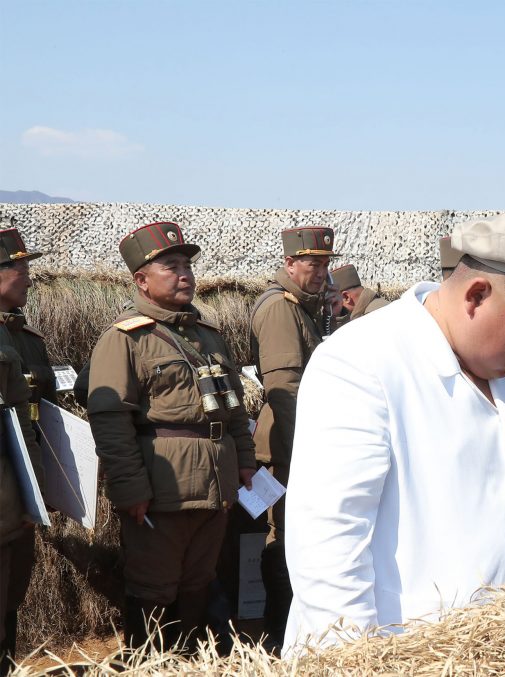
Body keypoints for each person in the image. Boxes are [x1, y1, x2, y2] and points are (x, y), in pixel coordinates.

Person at [284, 212, 505, 651]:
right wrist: (355, 660)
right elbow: (327, 548)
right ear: (476, 295)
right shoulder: (360, 361)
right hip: (414, 648)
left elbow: (485, 463)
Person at [87, 222, 256, 651]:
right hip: (161, 493)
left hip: (215, 487)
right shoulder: (124, 339)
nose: (185, 274)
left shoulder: (209, 337)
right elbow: (110, 421)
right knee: (153, 592)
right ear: (141, 280)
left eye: (187, 265)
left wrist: (245, 460)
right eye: (171, 266)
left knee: (198, 584)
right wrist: (128, 488)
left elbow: (233, 408)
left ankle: (187, 662)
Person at [248, 227, 338, 651]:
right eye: (311, 264)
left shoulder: (303, 306)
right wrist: (310, 452)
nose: (321, 272)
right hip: (288, 449)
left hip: (296, 444)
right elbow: (285, 391)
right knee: (284, 539)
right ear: (289, 264)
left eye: (325, 263)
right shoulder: (280, 309)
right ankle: (279, 636)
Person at [0, 228, 49, 675]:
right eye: (21, 270)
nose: (29, 279)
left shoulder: (25, 338)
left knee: (12, 596)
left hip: (18, 495)